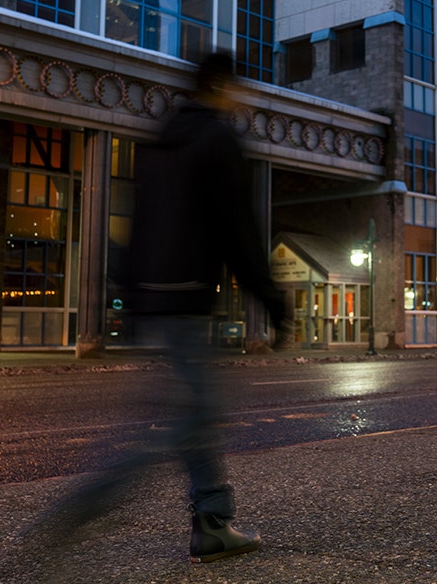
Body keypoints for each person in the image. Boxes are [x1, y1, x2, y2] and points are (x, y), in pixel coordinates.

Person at [32, 52, 288, 565]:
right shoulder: (216, 140)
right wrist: (273, 301)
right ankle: (85, 505)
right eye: (238, 86)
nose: (242, 96)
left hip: (155, 298)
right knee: (188, 421)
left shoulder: (165, 137)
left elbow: (139, 220)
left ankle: (213, 523)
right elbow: (237, 230)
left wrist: (129, 293)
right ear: (220, 85)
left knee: (195, 416)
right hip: (188, 295)